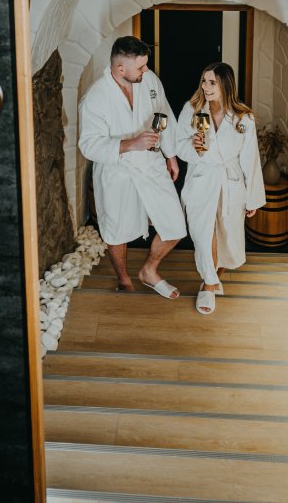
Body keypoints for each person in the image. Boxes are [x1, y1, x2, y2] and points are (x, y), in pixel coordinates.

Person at [78, 36, 187, 298]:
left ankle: (149, 270)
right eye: (140, 66)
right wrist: (130, 144)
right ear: (120, 69)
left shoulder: (149, 81)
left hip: (151, 164)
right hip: (118, 172)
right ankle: (124, 279)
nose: (146, 70)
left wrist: (171, 155)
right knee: (117, 231)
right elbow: (88, 145)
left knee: (175, 225)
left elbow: (164, 115)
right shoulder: (95, 97)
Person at [176, 62, 266, 314]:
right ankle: (209, 284)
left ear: (226, 84)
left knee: (227, 236)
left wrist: (253, 198)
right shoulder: (192, 110)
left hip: (230, 183)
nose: (206, 87)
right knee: (204, 234)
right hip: (201, 179)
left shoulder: (243, 117)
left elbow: (250, 158)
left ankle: (213, 277)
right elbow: (178, 146)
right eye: (204, 81)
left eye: (212, 82)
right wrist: (193, 146)